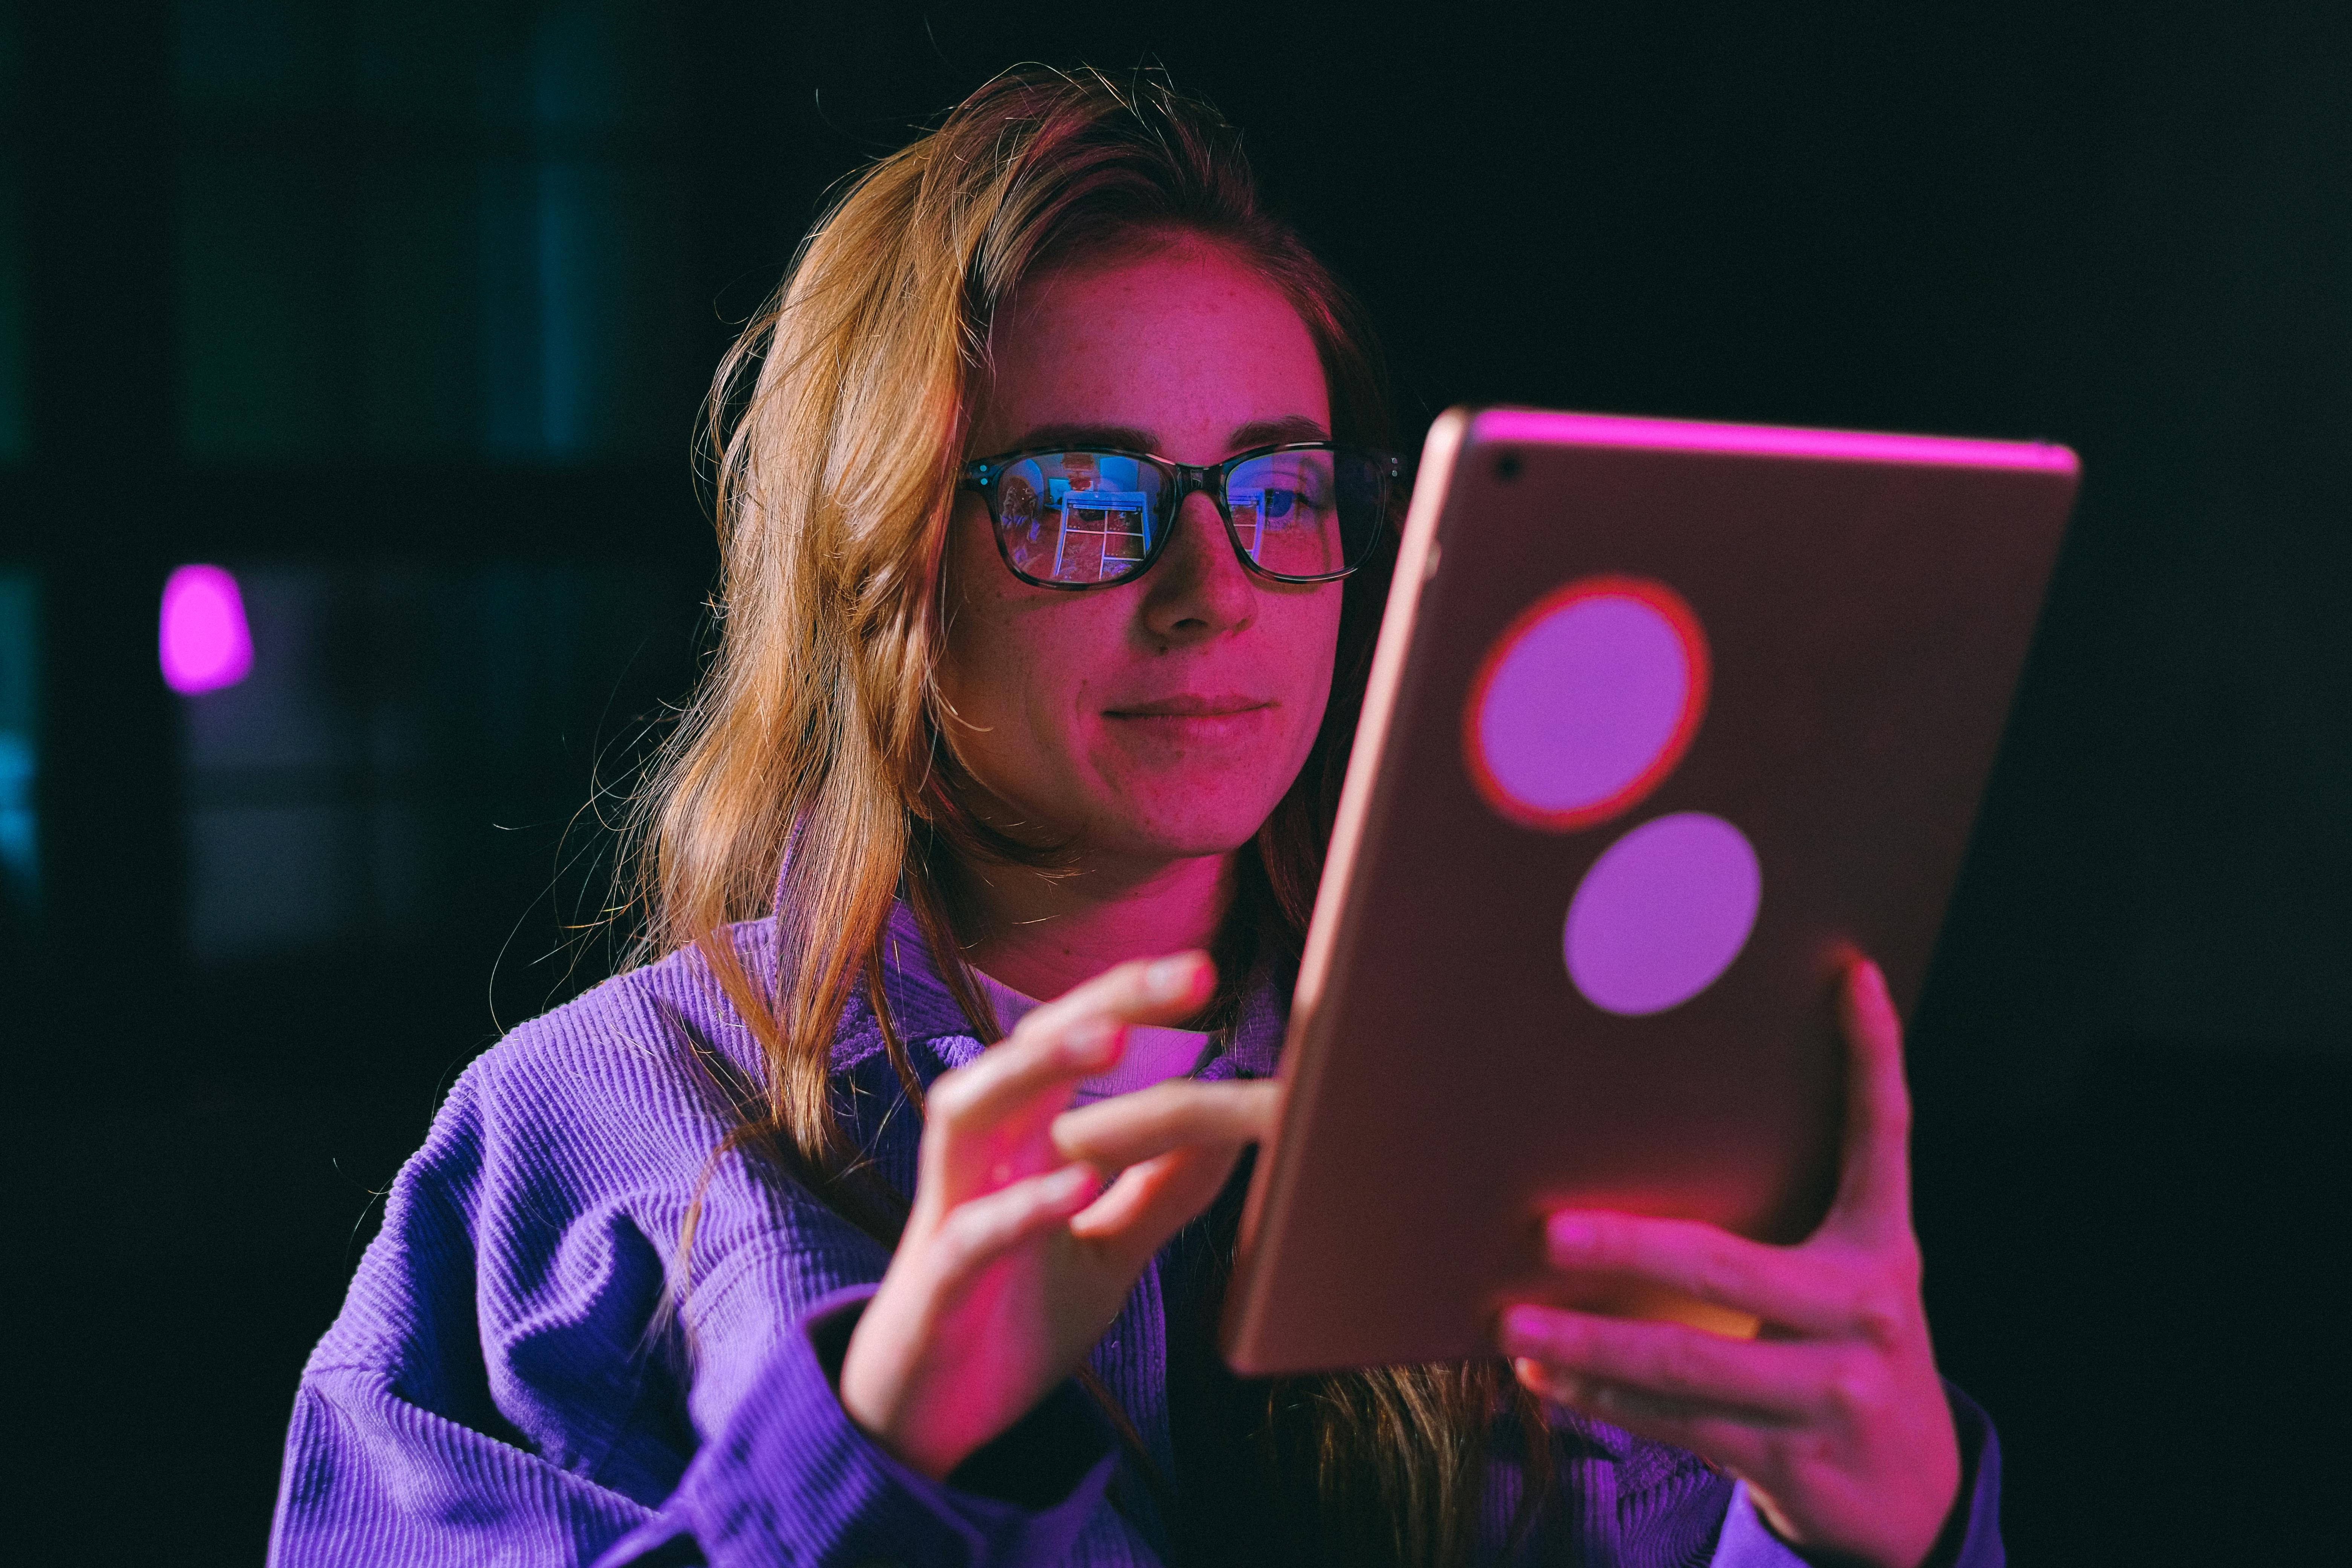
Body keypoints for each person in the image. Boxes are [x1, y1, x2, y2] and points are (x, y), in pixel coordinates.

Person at [269, 68, 2001, 1568]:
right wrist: (873, 1452)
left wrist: (1892, 1522)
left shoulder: (1543, 1096)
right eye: (1086, 499)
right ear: (877, 566)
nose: (1213, 590)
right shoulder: (577, 1151)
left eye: (1281, 490)